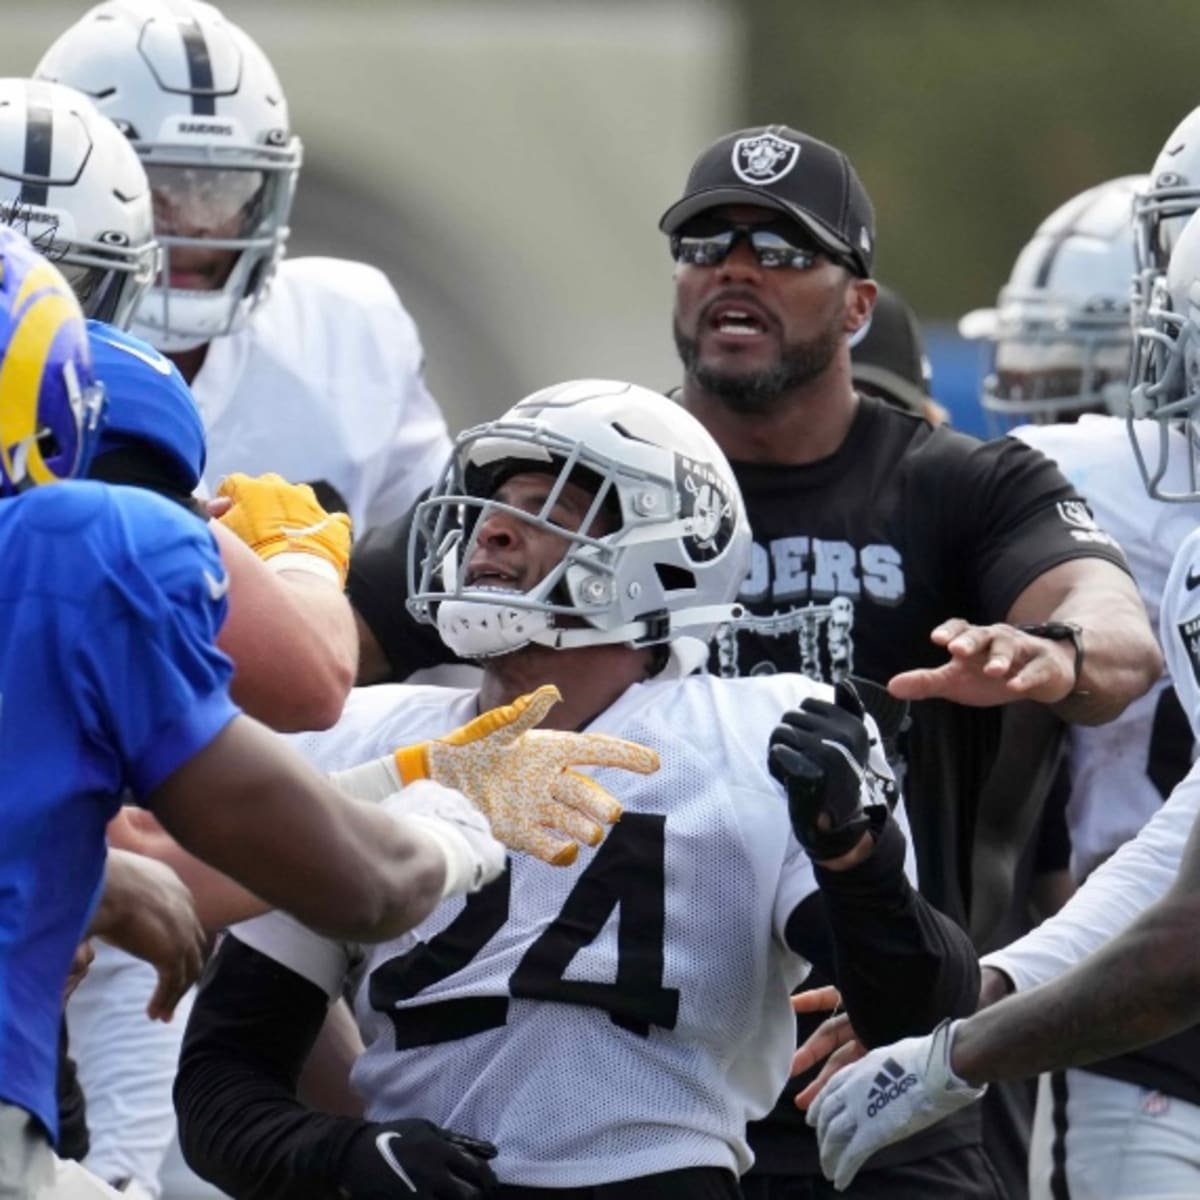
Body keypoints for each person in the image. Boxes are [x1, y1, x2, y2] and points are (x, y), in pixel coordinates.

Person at [346, 123, 1162, 1196]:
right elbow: (333, 649)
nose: (735, 267)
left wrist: (1049, 651)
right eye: (705, 245)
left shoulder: (957, 484)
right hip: (633, 1061)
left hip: (884, 1041)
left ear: (859, 303)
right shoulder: (590, 468)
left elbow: (1116, 631)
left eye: (782, 250)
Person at [173, 378, 978, 1199]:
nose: (489, 530)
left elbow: (916, 1011)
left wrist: (860, 862)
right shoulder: (369, 738)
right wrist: (341, 1159)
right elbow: (223, 1084)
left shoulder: (761, 729)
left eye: (543, 507)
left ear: (664, 551)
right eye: (492, 505)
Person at [0, 228, 661, 1199]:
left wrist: (99, 879)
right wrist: (464, 813)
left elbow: (121, 833)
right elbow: (362, 882)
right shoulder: (78, 550)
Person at [800, 201, 1200, 1193]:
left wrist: (964, 1041)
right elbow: (1182, 855)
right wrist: (987, 987)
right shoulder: (1176, 550)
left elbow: (1187, 929)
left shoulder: (1067, 487)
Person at [35, 0, 452, 533]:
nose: (192, 226)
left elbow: (431, 558)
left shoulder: (349, 328)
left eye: (217, 190)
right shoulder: (19, 342)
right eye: (144, 184)